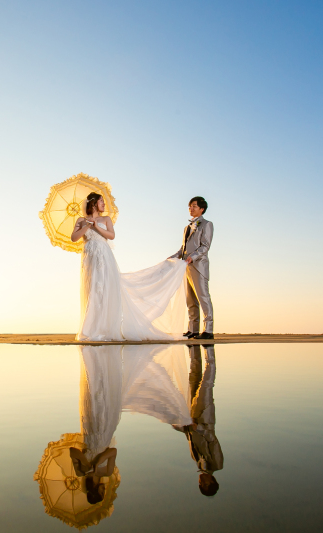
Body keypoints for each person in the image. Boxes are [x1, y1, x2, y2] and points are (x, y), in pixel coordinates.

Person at [71, 192, 188, 341]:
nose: (103, 204)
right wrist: (87, 226)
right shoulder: (81, 220)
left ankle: (105, 328)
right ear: (93, 203)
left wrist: (96, 226)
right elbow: (74, 238)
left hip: (104, 257)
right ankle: (90, 328)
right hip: (89, 258)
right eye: (101, 201)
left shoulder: (106, 219)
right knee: (92, 289)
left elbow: (111, 236)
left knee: (105, 288)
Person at [173, 344, 223, 497]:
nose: (201, 481)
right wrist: (198, 427)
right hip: (204, 416)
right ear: (213, 481)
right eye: (206, 484)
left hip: (191, 416)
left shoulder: (196, 460)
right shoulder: (217, 464)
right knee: (207, 381)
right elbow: (212, 440)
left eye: (200, 485)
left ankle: (194, 348)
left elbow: (189, 435)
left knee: (193, 375)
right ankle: (209, 348)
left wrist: (176, 425)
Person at [170, 196, 214, 340]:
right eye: (190, 206)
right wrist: (174, 257)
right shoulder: (186, 228)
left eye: (194, 206)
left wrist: (192, 257)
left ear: (202, 209)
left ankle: (208, 329)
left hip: (199, 266)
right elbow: (183, 248)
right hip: (186, 267)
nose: (191, 208)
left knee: (203, 297)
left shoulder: (207, 224)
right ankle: (193, 329)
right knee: (190, 300)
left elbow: (205, 246)